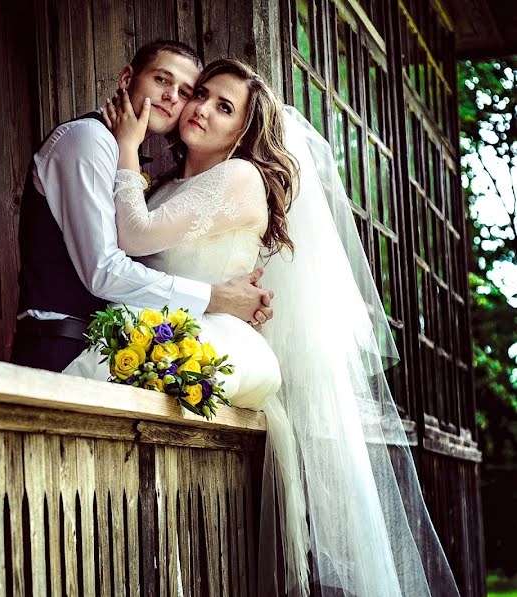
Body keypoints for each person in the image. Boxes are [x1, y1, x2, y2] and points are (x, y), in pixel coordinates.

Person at [68, 58, 461, 596]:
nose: (201, 108)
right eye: (201, 94)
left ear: (242, 133)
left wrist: (127, 145)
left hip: (209, 338)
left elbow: (134, 237)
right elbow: (122, 247)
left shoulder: (239, 176)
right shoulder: (164, 187)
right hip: (174, 328)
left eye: (223, 107)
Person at [11, 41, 273, 373]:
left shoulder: (147, 171)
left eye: (186, 91)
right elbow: (104, 271)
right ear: (126, 79)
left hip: (125, 351)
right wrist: (218, 298)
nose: (173, 97)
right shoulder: (88, 141)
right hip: (60, 346)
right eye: (162, 80)